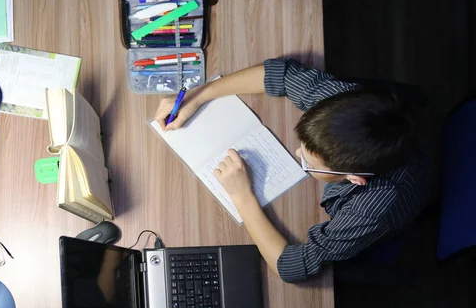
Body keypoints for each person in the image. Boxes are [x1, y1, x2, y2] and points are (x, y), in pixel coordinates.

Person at [154, 58, 431, 283]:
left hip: (397, 211)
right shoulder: (337, 107)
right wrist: (199, 95)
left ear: (354, 179)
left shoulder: (373, 208)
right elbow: (281, 73)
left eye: (308, 163)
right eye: (302, 147)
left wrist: (242, 197)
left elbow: (290, 267)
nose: (296, 154)